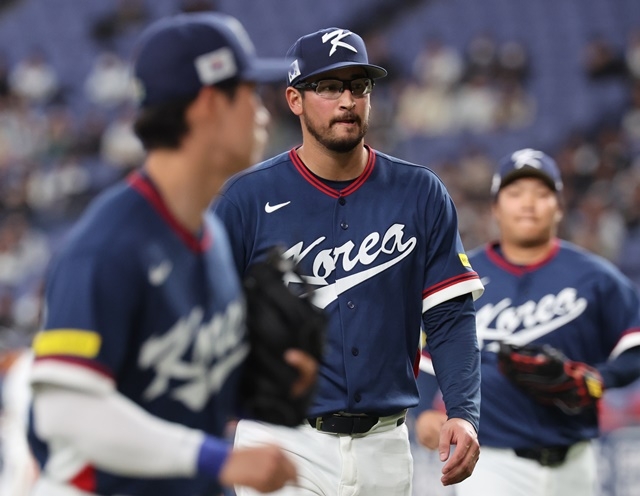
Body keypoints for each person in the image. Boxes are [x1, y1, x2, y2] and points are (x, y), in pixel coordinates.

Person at [28, 12, 318, 496]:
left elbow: (167, 395)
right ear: (208, 103)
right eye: (249, 93)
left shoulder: (212, 234)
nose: (264, 111)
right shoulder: (108, 246)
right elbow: (66, 410)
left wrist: (258, 388)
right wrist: (214, 459)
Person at [213, 27, 485, 495]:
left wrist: (462, 412)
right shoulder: (246, 200)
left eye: (358, 86)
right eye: (329, 86)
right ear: (294, 100)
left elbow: (449, 317)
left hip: (385, 443)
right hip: (282, 438)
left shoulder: (419, 192)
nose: (347, 100)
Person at [414, 148, 640, 496]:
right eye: (515, 193)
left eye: (542, 193)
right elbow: (428, 359)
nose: (528, 203)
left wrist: (598, 380)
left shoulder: (595, 277)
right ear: (495, 208)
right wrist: (427, 412)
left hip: (576, 460)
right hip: (491, 461)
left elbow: (634, 348)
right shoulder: (461, 277)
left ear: (559, 207)